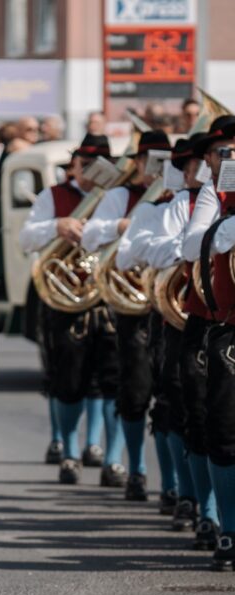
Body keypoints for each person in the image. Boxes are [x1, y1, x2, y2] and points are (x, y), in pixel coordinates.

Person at [19, 135, 121, 483]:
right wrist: (57, 227)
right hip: (65, 297)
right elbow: (26, 238)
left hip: (105, 295)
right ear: (74, 165)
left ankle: (97, 447)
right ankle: (69, 448)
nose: (93, 171)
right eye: (87, 164)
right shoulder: (53, 195)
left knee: (106, 378)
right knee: (66, 376)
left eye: (101, 164)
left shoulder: (116, 197)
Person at [82, 129, 172, 500]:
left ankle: (174, 486)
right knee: (134, 392)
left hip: (170, 309)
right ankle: (135, 468)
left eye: (164, 161)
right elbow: (89, 236)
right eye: (149, 159)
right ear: (136, 162)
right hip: (133, 306)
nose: (155, 168)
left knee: (174, 398)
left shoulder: (182, 199)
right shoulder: (120, 195)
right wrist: (121, 226)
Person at [141, 134, 215, 542]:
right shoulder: (181, 205)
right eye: (218, 154)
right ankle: (193, 499)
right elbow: (165, 250)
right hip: (188, 317)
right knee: (186, 407)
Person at [181, 115, 235, 567]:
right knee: (223, 429)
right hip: (229, 323)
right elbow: (190, 245)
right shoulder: (209, 194)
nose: (228, 159)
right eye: (222, 152)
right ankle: (228, 528)